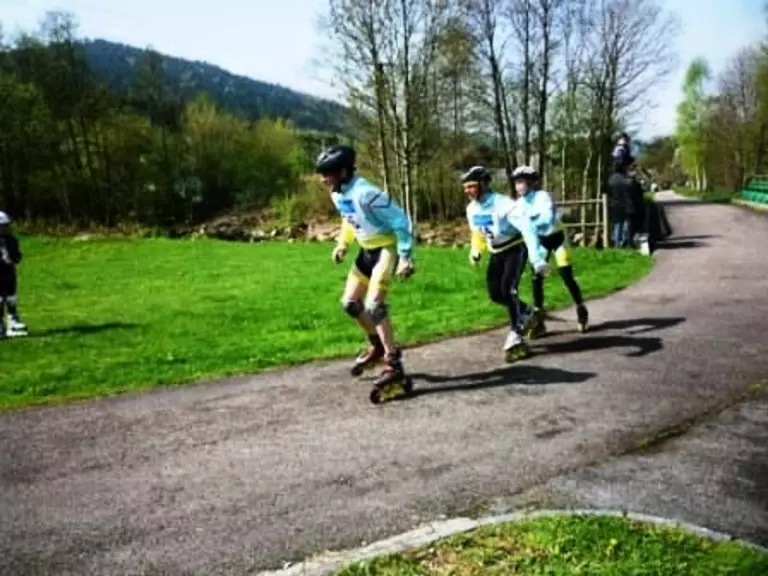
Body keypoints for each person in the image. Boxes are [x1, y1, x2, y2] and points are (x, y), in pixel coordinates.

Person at [315, 145, 415, 392]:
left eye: (327, 174)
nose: (323, 179)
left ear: (343, 172)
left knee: (374, 306)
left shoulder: (366, 193)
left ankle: (393, 363)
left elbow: (401, 220)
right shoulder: (338, 194)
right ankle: (377, 345)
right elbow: (349, 219)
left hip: (385, 250)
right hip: (366, 252)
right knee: (350, 303)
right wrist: (342, 244)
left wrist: (405, 256)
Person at [464, 166, 549, 362]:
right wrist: (476, 250)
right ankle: (528, 313)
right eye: (466, 188)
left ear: (483, 185)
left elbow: (527, 229)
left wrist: (536, 258)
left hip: (515, 249)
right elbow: (477, 232)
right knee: (495, 294)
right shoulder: (472, 209)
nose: (468, 191)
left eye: (472, 186)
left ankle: (516, 334)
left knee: (508, 290)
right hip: (496, 252)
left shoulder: (503, 204)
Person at [512, 166, 589, 337]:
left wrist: (531, 224)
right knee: (536, 277)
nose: (518, 186)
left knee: (566, 275)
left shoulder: (542, 197)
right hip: (541, 241)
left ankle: (580, 308)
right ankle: (539, 321)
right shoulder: (519, 204)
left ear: (531, 182)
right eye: (516, 183)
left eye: (521, 182)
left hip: (557, 238)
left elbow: (547, 218)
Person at [0, 211, 28, 338]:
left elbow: (17, 254)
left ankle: (13, 321)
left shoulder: (12, 240)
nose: (7, 228)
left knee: (11, 296)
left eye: (7, 225)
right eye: (4, 226)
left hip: (9, 272)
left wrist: (15, 258)